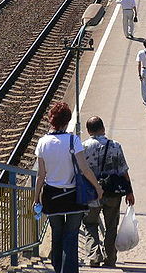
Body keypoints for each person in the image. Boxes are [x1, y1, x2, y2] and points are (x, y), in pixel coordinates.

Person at [35, 103, 103, 273]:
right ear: (67, 121)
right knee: (71, 236)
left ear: (51, 120)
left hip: (52, 196)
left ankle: (58, 269)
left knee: (57, 235)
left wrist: (36, 198)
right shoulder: (74, 140)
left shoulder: (42, 142)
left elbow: (41, 175)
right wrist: (98, 188)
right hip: (73, 196)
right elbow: (84, 169)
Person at [81, 116, 135, 268]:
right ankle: (110, 258)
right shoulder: (115, 146)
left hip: (91, 193)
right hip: (112, 193)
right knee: (111, 225)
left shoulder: (83, 147)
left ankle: (94, 255)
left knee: (90, 223)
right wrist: (130, 192)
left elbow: (80, 171)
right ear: (103, 129)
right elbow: (124, 171)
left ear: (88, 131)